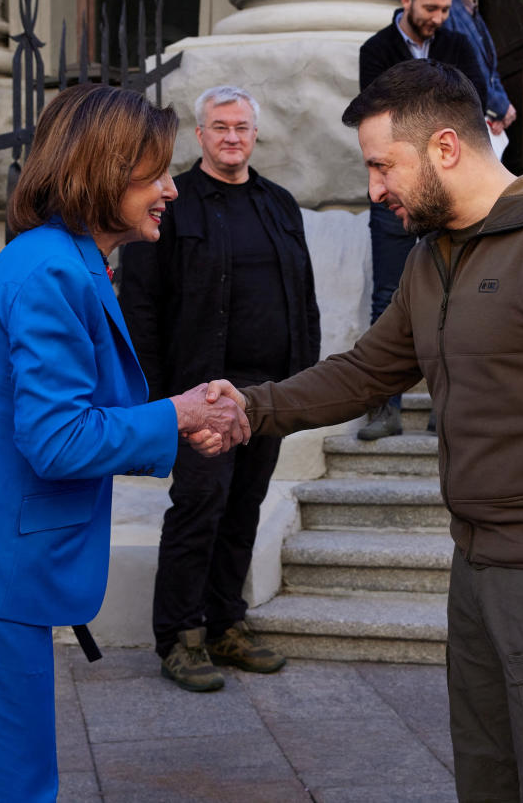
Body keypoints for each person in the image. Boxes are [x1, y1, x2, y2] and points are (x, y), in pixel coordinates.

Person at [205, 59, 523, 802]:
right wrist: (251, 411)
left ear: (445, 148)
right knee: (488, 783)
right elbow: (365, 372)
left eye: (384, 166)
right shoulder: (432, 257)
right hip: (476, 572)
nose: (375, 189)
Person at [0, 84, 249, 802]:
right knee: (13, 789)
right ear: (100, 172)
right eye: (154, 173)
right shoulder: (51, 270)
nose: (172, 189)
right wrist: (176, 414)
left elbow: (72, 418)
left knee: (15, 781)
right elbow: (57, 440)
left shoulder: (65, 258)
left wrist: (175, 428)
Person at [120, 86, 321, 692]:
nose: (232, 137)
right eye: (220, 127)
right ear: (200, 136)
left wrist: (301, 387)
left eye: (242, 128)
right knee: (199, 508)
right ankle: (180, 638)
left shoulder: (280, 204)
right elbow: (142, 304)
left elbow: (304, 300)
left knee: (243, 510)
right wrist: (159, 398)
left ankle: (226, 624)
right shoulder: (174, 205)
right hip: (199, 394)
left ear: (254, 135)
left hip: (268, 395)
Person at [356, 0, 487, 440]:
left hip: (446, 193)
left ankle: (445, 405)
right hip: (394, 195)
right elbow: (377, 117)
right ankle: (382, 409)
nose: (438, 19)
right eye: (430, 8)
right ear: (406, 0)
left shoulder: (456, 43)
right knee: (386, 294)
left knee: (457, 294)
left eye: (445, 10)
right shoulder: (376, 49)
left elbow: (474, 104)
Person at [442, 0, 516, 156]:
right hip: (460, 129)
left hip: (481, 124)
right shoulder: (445, 9)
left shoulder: (472, 11)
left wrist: (501, 108)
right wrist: (498, 108)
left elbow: (491, 72)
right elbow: (456, 72)